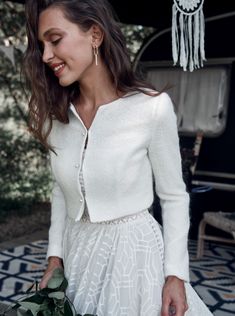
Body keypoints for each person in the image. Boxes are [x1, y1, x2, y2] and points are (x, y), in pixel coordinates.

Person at [23, 0, 213, 315]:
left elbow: (173, 196)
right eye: (42, 45)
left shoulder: (151, 108)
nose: (46, 56)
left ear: (95, 34)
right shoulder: (56, 117)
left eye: (55, 40)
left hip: (133, 256)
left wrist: (175, 275)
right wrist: (54, 258)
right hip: (77, 253)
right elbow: (61, 190)